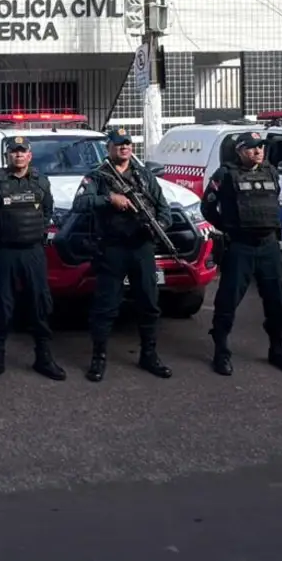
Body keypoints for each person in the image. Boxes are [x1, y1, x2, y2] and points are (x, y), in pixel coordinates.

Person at [72, 127, 176, 382]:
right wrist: (109, 199)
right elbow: (80, 203)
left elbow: (164, 209)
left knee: (149, 303)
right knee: (105, 306)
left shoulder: (144, 175)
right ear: (109, 147)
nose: (124, 147)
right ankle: (98, 358)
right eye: (119, 143)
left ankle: (149, 355)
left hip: (142, 248)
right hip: (112, 249)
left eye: (128, 143)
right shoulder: (97, 176)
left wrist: (159, 226)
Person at [201, 130, 282, 377]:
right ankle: (221, 352)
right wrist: (228, 227)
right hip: (240, 247)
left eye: (261, 147)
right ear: (240, 151)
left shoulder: (271, 171)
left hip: (268, 246)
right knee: (227, 302)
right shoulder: (225, 174)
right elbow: (207, 207)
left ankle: (277, 349)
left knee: (276, 301)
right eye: (253, 147)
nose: (258, 151)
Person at [0, 134, 64, 383]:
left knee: (39, 304)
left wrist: (35, 232)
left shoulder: (41, 182)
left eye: (22, 151)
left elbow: (47, 211)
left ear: (29, 155)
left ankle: (43, 358)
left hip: (33, 252)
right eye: (14, 151)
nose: (18, 154)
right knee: (0, 307)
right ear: (7, 155)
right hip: (4, 252)